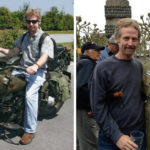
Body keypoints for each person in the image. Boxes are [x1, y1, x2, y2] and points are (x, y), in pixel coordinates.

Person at [90, 18, 146, 150]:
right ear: (117, 39)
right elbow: (97, 106)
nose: (130, 43)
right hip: (111, 140)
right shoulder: (103, 68)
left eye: (134, 39)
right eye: (126, 38)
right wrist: (117, 136)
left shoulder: (139, 66)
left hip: (137, 137)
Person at [0, 9, 54, 145]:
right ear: (26, 22)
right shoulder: (23, 37)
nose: (31, 24)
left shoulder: (45, 38)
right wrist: (0, 49)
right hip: (21, 69)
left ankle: (30, 130)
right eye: (29, 21)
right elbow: (14, 52)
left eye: (34, 21)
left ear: (39, 22)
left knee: (30, 96)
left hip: (38, 71)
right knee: (4, 83)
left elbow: (44, 56)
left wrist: (35, 66)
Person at [77, 42, 104, 150]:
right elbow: (81, 88)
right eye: (96, 50)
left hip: (83, 110)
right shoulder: (88, 64)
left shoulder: (87, 63)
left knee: (83, 139)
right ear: (86, 52)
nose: (99, 52)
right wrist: (91, 106)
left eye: (99, 50)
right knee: (90, 142)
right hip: (85, 111)